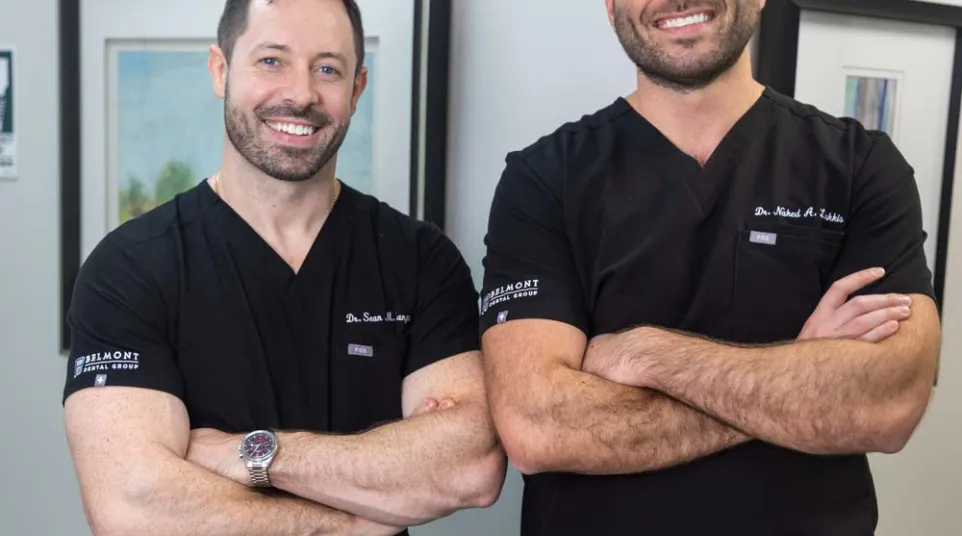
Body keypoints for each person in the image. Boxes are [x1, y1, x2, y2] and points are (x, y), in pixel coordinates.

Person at [478, 0, 942, 535]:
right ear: (609, 6)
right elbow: (538, 427)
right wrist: (802, 371)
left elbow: (888, 403)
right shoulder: (543, 180)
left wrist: (646, 355)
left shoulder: (860, 165)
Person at [62, 1, 505, 535]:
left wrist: (257, 455)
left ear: (357, 88)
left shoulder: (420, 259)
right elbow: (134, 508)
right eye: (272, 61)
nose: (300, 94)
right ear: (220, 71)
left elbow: (470, 466)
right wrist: (351, 521)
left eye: (327, 69)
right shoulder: (129, 267)